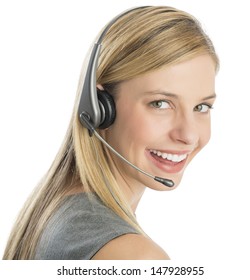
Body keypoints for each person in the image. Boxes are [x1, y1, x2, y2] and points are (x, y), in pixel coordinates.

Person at [3, 5, 219, 260]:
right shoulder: (132, 256)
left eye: (201, 107)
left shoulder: (54, 211)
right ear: (99, 107)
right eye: (160, 103)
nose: (189, 135)